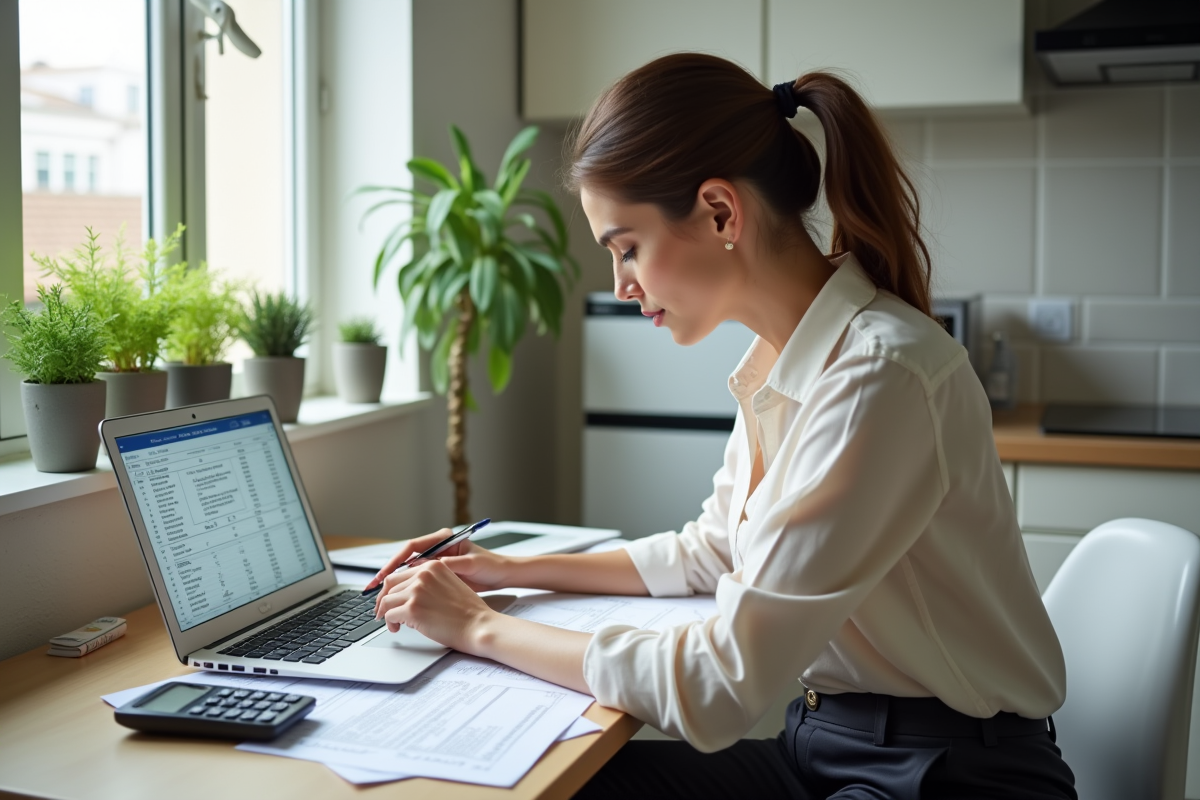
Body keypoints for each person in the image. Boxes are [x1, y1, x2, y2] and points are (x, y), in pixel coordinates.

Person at [363, 53, 1077, 799]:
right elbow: (710, 554)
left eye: (627, 247)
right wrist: (509, 570)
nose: (620, 284)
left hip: (954, 776)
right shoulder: (780, 360)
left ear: (720, 212)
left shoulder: (879, 376)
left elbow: (718, 686)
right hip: (820, 747)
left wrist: (479, 628)